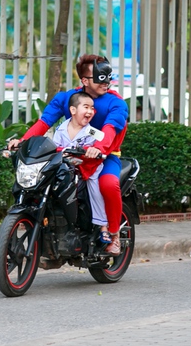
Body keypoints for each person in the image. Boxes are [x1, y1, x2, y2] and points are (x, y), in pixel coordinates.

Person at [9, 55, 129, 255]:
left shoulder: (116, 103)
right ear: (84, 80)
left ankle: (114, 234)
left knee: (108, 184)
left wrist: (99, 148)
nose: (106, 82)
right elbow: (44, 122)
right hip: (69, 157)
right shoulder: (67, 99)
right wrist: (22, 142)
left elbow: (110, 128)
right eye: (100, 77)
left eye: (108, 77)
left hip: (104, 157)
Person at [52, 91, 111, 241]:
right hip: (66, 169)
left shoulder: (91, 131)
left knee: (95, 190)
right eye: (86, 107)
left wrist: (95, 149)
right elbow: (54, 146)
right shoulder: (60, 128)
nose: (90, 111)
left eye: (92, 108)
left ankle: (103, 227)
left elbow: (102, 142)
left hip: (88, 169)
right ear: (73, 110)